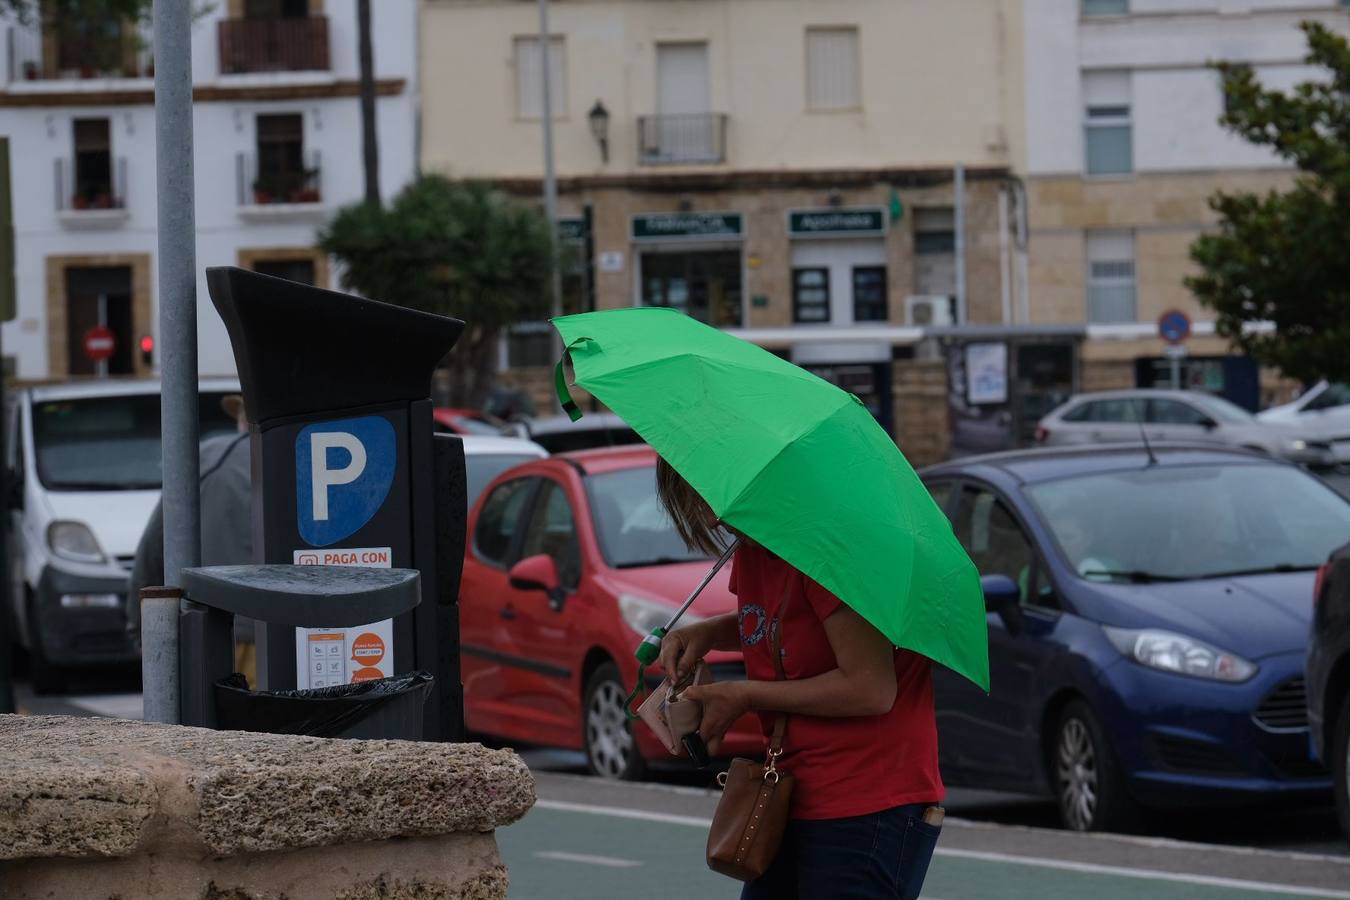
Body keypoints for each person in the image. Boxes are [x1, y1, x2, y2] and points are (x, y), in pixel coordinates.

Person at [654, 458, 942, 900]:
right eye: (700, 504)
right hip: (791, 791)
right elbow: (784, 620)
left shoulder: (831, 545)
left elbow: (871, 688)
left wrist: (743, 695)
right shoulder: (758, 544)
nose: (713, 519)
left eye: (711, 498)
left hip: (866, 803)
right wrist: (708, 632)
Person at [128, 395, 255, 683]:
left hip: (222, 636)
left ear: (243, 419)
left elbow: (153, 547)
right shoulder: (311, 456)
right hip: (307, 638)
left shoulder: (209, 457)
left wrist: (141, 629)